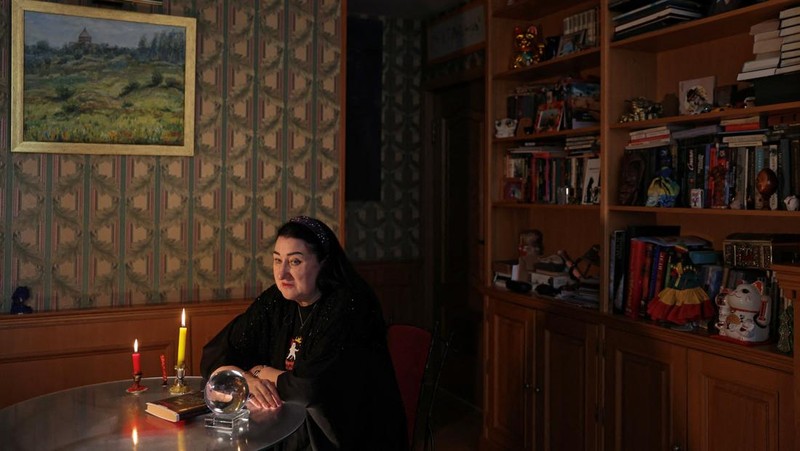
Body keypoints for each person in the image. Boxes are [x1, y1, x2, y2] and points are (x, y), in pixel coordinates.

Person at [200, 216, 408, 450]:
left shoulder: (349, 305)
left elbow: (312, 386)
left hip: (345, 433)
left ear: (323, 263)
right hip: (287, 424)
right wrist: (246, 378)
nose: (283, 273)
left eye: (295, 262)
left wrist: (263, 371)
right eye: (277, 260)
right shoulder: (277, 300)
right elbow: (219, 351)